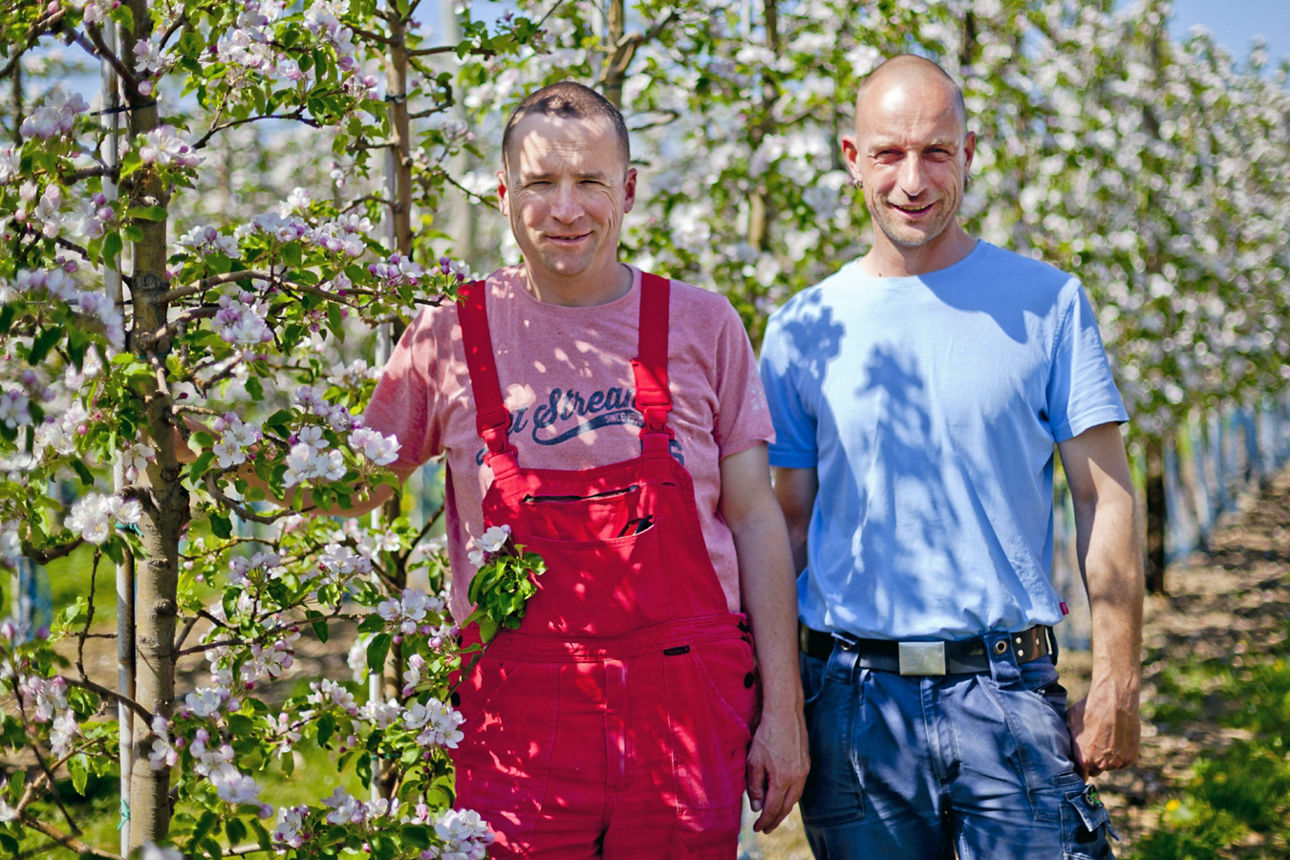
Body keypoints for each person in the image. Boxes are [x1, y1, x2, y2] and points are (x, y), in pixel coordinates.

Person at [359, 82, 808, 857]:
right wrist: (202, 447)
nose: (565, 210)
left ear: (627, 191)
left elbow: (755, 516)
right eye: (540, 183)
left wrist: (785, 712)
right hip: (519, 728)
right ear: (504, 194)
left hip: (684, 718)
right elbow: (349, 486)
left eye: (590, 182)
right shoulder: (444, 337)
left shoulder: (703, 324)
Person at [757, 55, 1142, 859]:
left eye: (936, 152)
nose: (912, 179)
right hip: (854, 707)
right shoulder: (804, 327)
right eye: (889, 153)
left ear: (969, 153)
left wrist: (1116, 681)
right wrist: (778, 705)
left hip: (1008, 698)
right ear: (850, 157)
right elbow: (781, 529)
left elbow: (1104, 496)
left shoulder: (1047, 303)